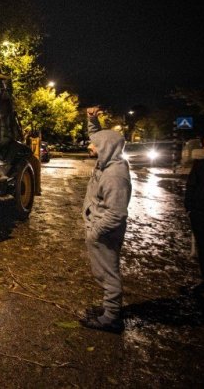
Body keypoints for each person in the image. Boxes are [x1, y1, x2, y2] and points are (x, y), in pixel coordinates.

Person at [79, 107, 132, 333]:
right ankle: (109, 310)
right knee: (103, 271)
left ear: (106, 148)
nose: (90, 146)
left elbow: (117, 213)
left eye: (95, 145)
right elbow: (97, 136)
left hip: (104, 232)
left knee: (108, 273)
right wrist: (92, 119)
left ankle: (111, 317)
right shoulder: (107, 162)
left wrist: (96, 231)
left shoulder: (114, 175)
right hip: (99, 228)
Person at [185, 136, 204, 294]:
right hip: (200, 213)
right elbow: (191, 186)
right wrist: (190, 208)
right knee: (203, 248)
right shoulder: (200, 164)